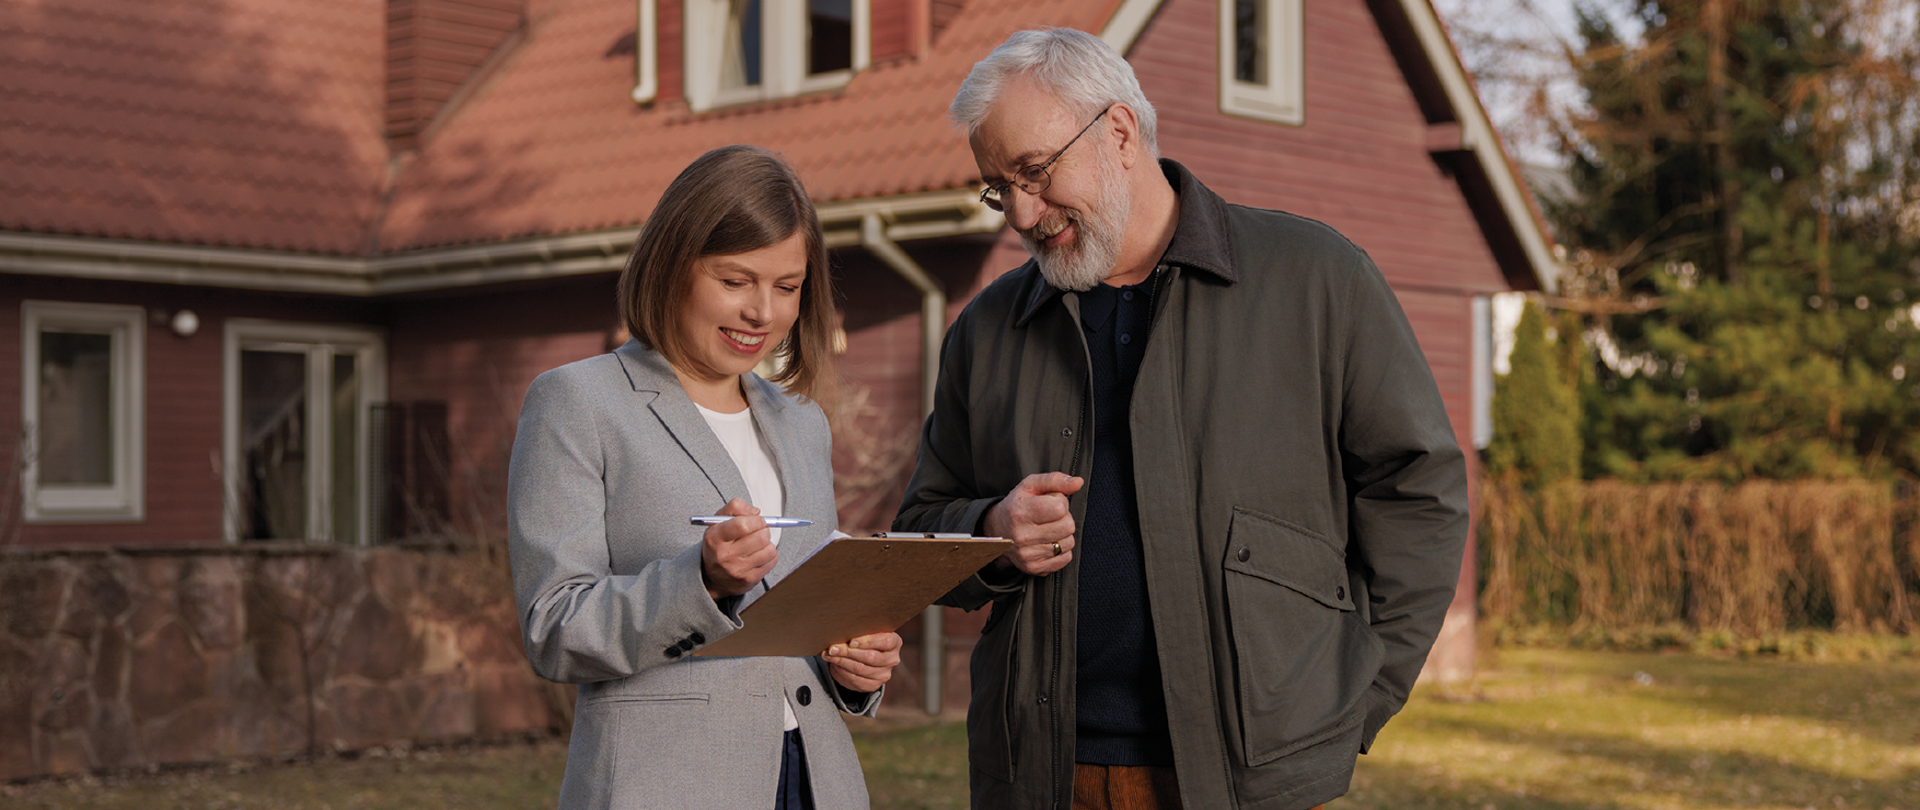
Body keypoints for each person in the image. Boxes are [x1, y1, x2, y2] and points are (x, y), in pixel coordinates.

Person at [892, 29, 1469, 810]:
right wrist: (993, 527)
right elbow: (919, 525)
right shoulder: (987, 330)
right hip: (1041, 777)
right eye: (999, 188)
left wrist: (1354, 697)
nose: (1020, 214)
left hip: (1254, 780)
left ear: (1120, 133)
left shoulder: (1316, 279)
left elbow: (1419, 492)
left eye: (1034, 172)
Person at [508, 145, 902, 810]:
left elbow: (801, 622)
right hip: (665, 785)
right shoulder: (578, 402)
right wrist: (701, 584)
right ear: (671, 267)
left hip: (815, 779)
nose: (763, 314)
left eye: (787, 287)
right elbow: (553, 627)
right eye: (735, 280)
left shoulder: (802, 423)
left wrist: (854, 668)